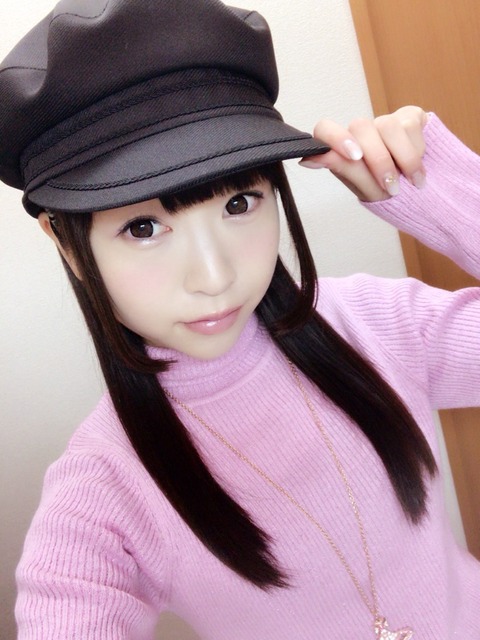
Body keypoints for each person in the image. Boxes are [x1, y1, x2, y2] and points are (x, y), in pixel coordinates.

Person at [0, 0, 478, 638]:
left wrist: (437, 189)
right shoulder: (103, 494)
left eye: (239, 202)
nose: (214, 276)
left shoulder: (377, 326)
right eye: (143, 227)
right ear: (66, 243)